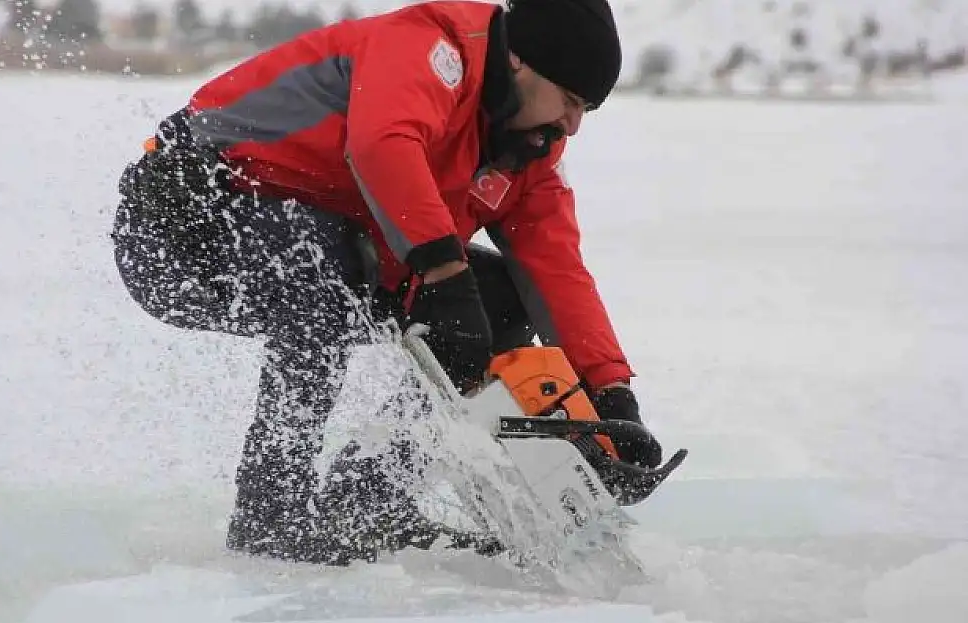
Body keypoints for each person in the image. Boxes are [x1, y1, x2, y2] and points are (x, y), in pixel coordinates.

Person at [111, 0, 665, 566]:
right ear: (519, 61)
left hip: (327, 245)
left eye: (586, 110)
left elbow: (557, 273)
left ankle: (367, 499)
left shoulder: (528, 148)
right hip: (179, 232)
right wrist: (445, 277)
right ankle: (271, 512)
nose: (572, 124)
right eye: (570, 101)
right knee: (328, 258)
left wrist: (614, 398)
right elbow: (382, 144)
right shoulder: (431, 47)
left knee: (497, 298)